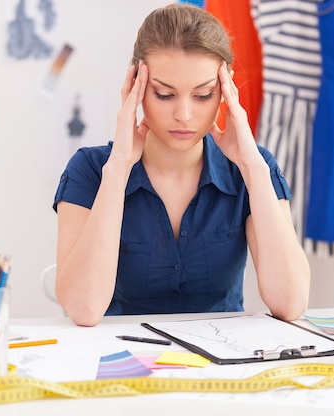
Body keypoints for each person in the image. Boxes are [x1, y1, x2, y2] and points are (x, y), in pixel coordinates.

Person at [52, 3, 310, 326]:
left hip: (222, 364)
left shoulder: (252, 169)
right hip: (122, 364)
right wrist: (118, 168)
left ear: (225, 91)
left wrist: (252, 167)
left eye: (203, 95)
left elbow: (291, 303)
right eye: (164, 94)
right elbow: (83, 309)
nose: (184, 115)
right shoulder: (90, 170)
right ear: (136, 85)